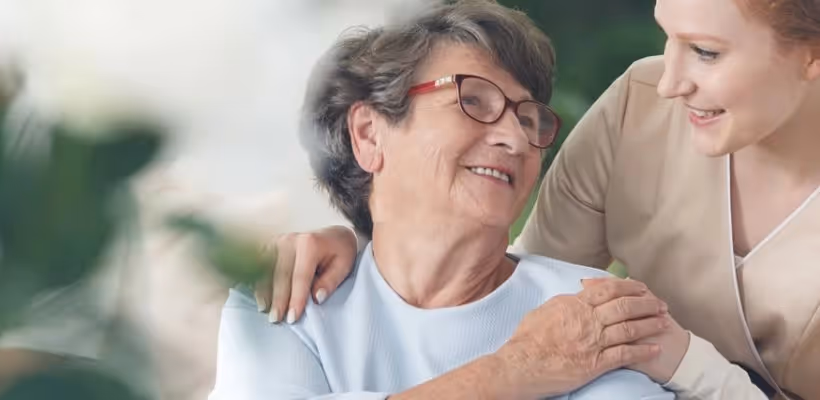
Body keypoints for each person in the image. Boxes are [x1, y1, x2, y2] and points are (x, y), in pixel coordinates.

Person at [256, 0, 820, 399]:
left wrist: (679, 358)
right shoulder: (643, 107)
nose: (671, 81)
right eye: (667, 36)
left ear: (812, 55)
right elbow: (511, 287)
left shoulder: (614, 365)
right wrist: (365, 239)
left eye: (705, 51)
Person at [209, 2, 678, 399]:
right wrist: (516, 370)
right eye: (473, 100)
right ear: (369, 134)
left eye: (528, 118)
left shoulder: (591, 313)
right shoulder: (284, 295)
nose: (516, 139)